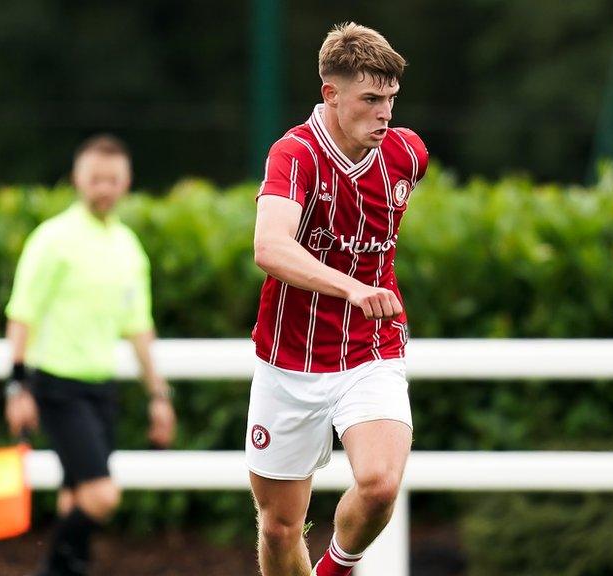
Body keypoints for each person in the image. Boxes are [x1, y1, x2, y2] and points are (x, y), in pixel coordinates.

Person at [247, 22, 429, 576]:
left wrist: (367, 292)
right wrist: (351, 286)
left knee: (379, 484)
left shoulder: (407, 154)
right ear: (331, 94)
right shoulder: (295, 155)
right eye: (371, 100)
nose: (385, 115)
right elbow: (269, 246)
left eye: (390, 100)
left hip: (371, 351)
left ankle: (335, 569)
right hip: (288, 359)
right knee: (280, 528)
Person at [3, 134, 176, 576]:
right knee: (102, 496)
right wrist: (16, 386)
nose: (104, 187)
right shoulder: (52, 239)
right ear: (78, 178)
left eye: (113, 179)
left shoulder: (128, 247)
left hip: (102, 388)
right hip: (57, 385)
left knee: (74, 500)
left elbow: (139, 328)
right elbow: (22, 314)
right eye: (95, 178)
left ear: (126, 181)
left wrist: (159, 396)